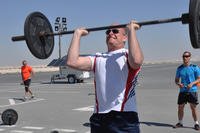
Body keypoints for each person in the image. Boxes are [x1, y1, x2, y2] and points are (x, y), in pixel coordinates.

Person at [66, 21, 144, 133]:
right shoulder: (98, 57)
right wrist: (77, 35)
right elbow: (72, 61)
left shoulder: (127, 55)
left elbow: (136, 61)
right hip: (99, 118)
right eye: (108, 31)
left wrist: (131, 29)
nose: (110, 33)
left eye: (115, 31)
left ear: (124, 37)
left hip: (124, 117)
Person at [174, 51, 200, 130]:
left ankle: (196, 124)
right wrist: (179, 84)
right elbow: (176, 80)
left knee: (193, 107)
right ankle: (180, 122)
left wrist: (192, 83)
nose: (185, 58)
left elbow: (199, 79)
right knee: (180, 107)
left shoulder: (195, 67)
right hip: (183, 91)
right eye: (184, 56)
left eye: (187, 56)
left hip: (192, 90)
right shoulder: (179, 68)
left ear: (190, 57)